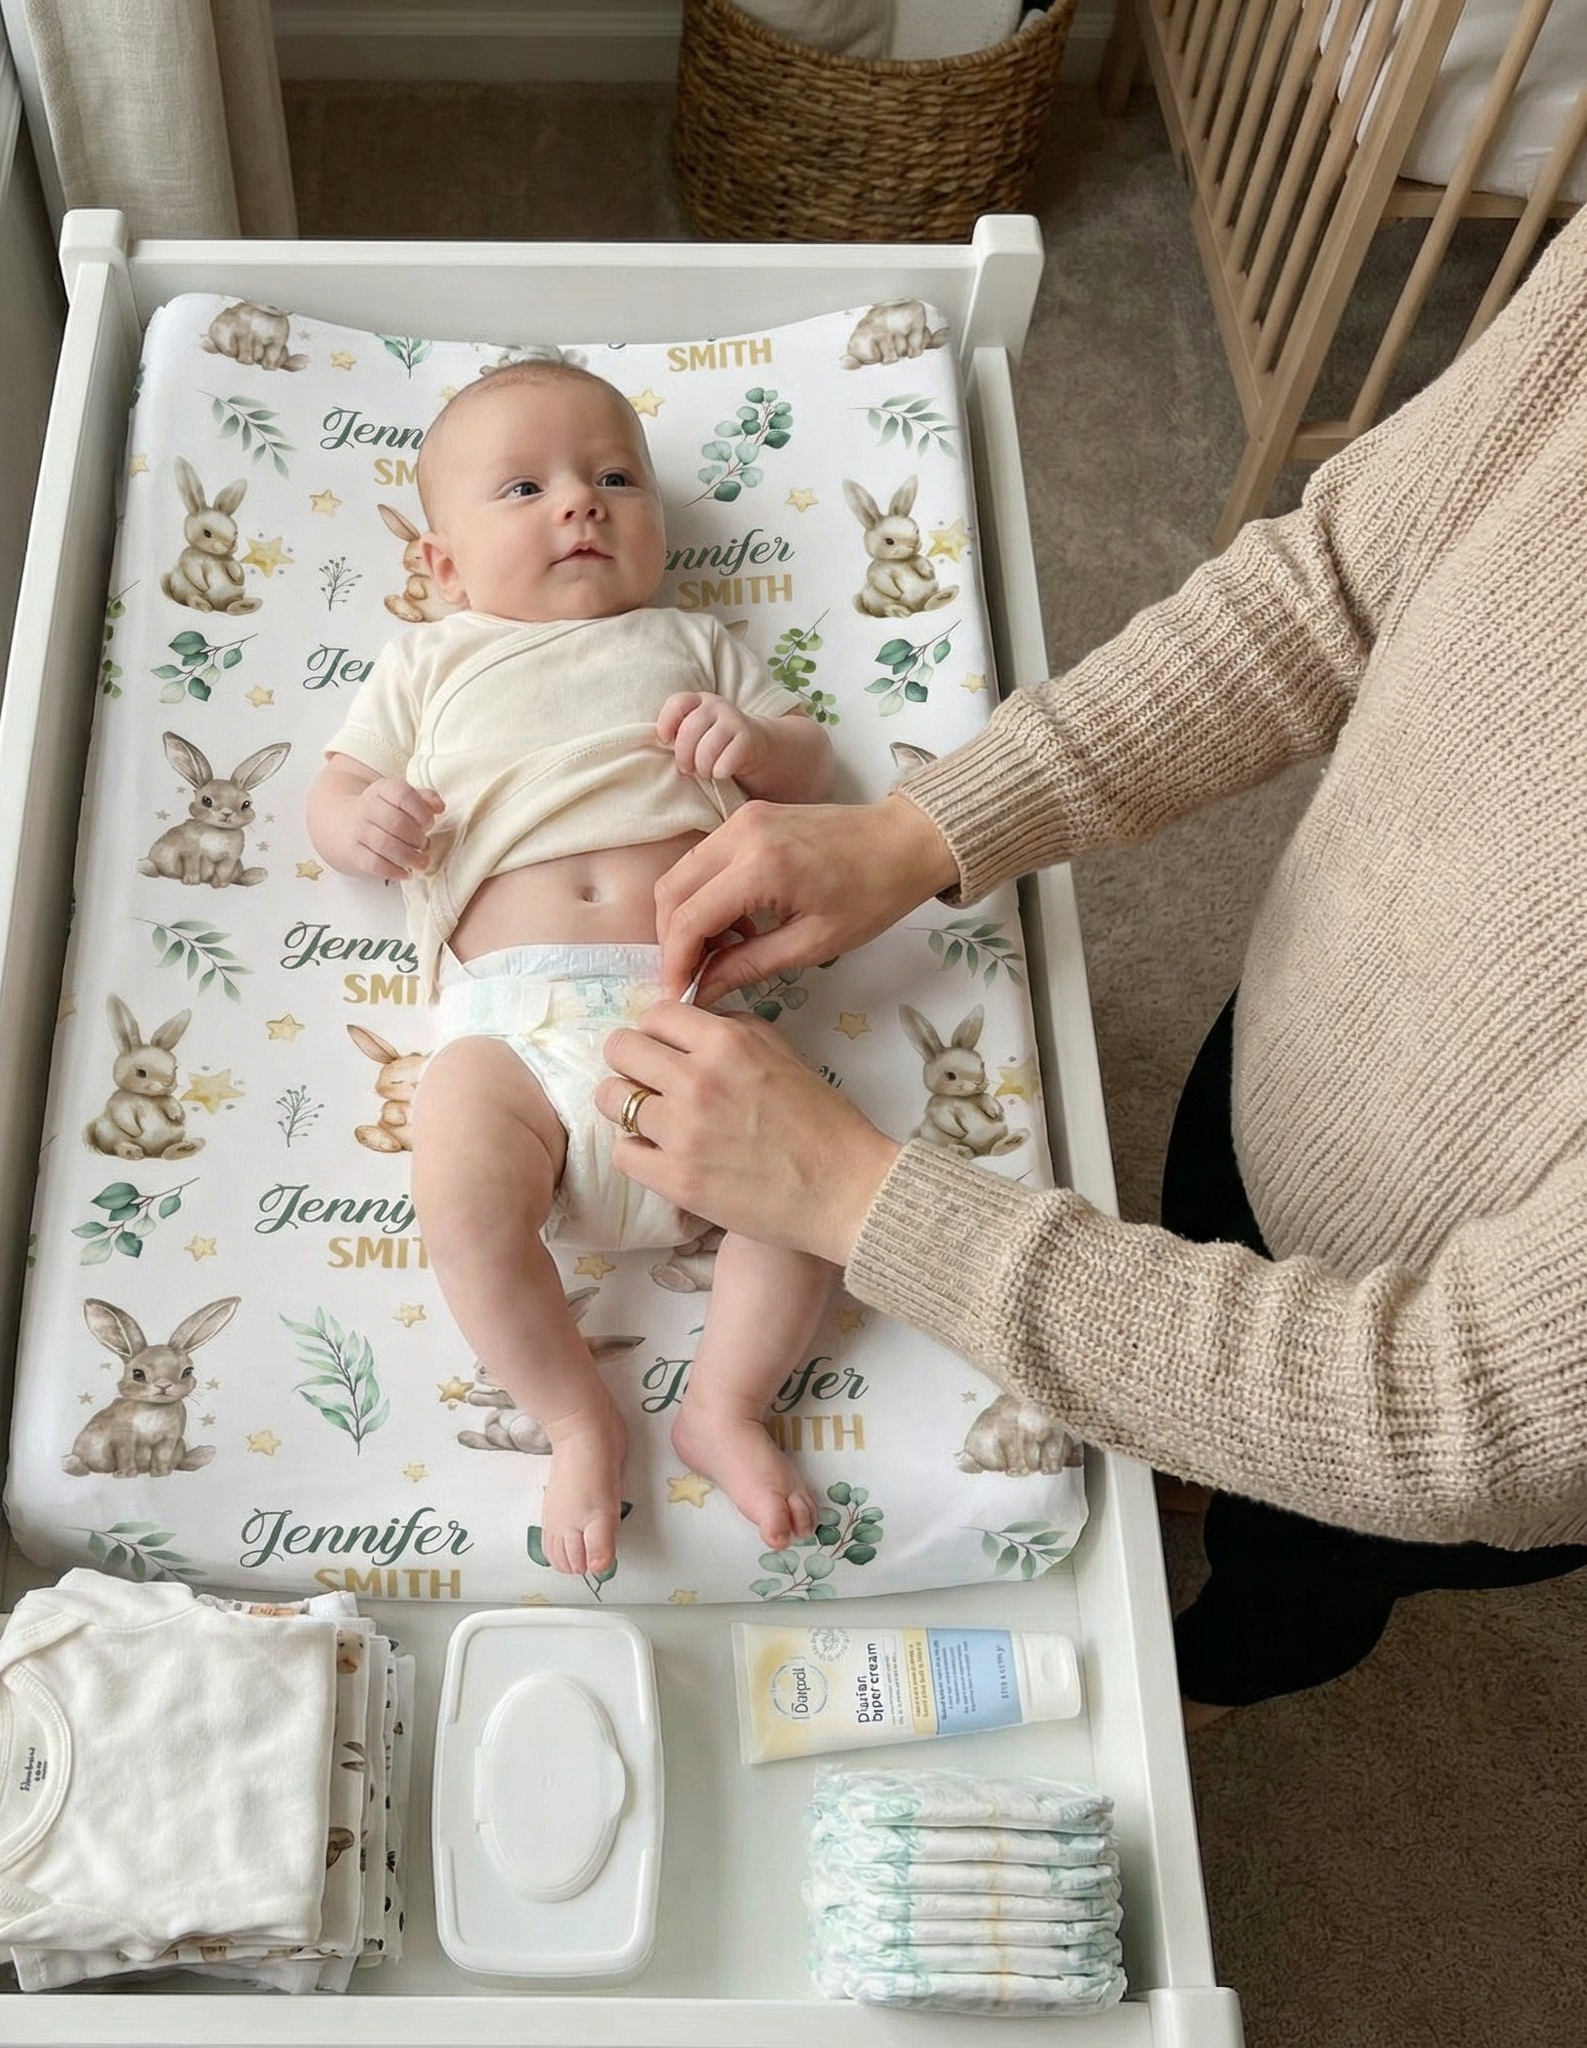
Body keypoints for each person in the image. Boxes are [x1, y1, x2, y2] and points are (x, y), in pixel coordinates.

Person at [593, 209, 1587, 1714]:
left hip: (1438, 1393)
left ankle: (1237, 1654)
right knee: (1203, 1234)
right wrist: (920, 831)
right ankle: (1189, 1474)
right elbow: (1330, 590)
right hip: (1295, 1055)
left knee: (1306, 1552)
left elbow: (1463, 1418)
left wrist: (855, 1196)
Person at [304, 360, 837, 1580]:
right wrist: (361, 821)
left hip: (680, 1008)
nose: (580, 505)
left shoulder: (691, 638)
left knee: (812, 1176)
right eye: (525, 487)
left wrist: (752, 745)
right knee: (455, 1173)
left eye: (612, 478)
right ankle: (573, 1414)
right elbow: (333, 788)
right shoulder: (431, 659)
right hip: (512, 1031)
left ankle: (724, 1404)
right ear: (442, 567)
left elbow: (808, 765)